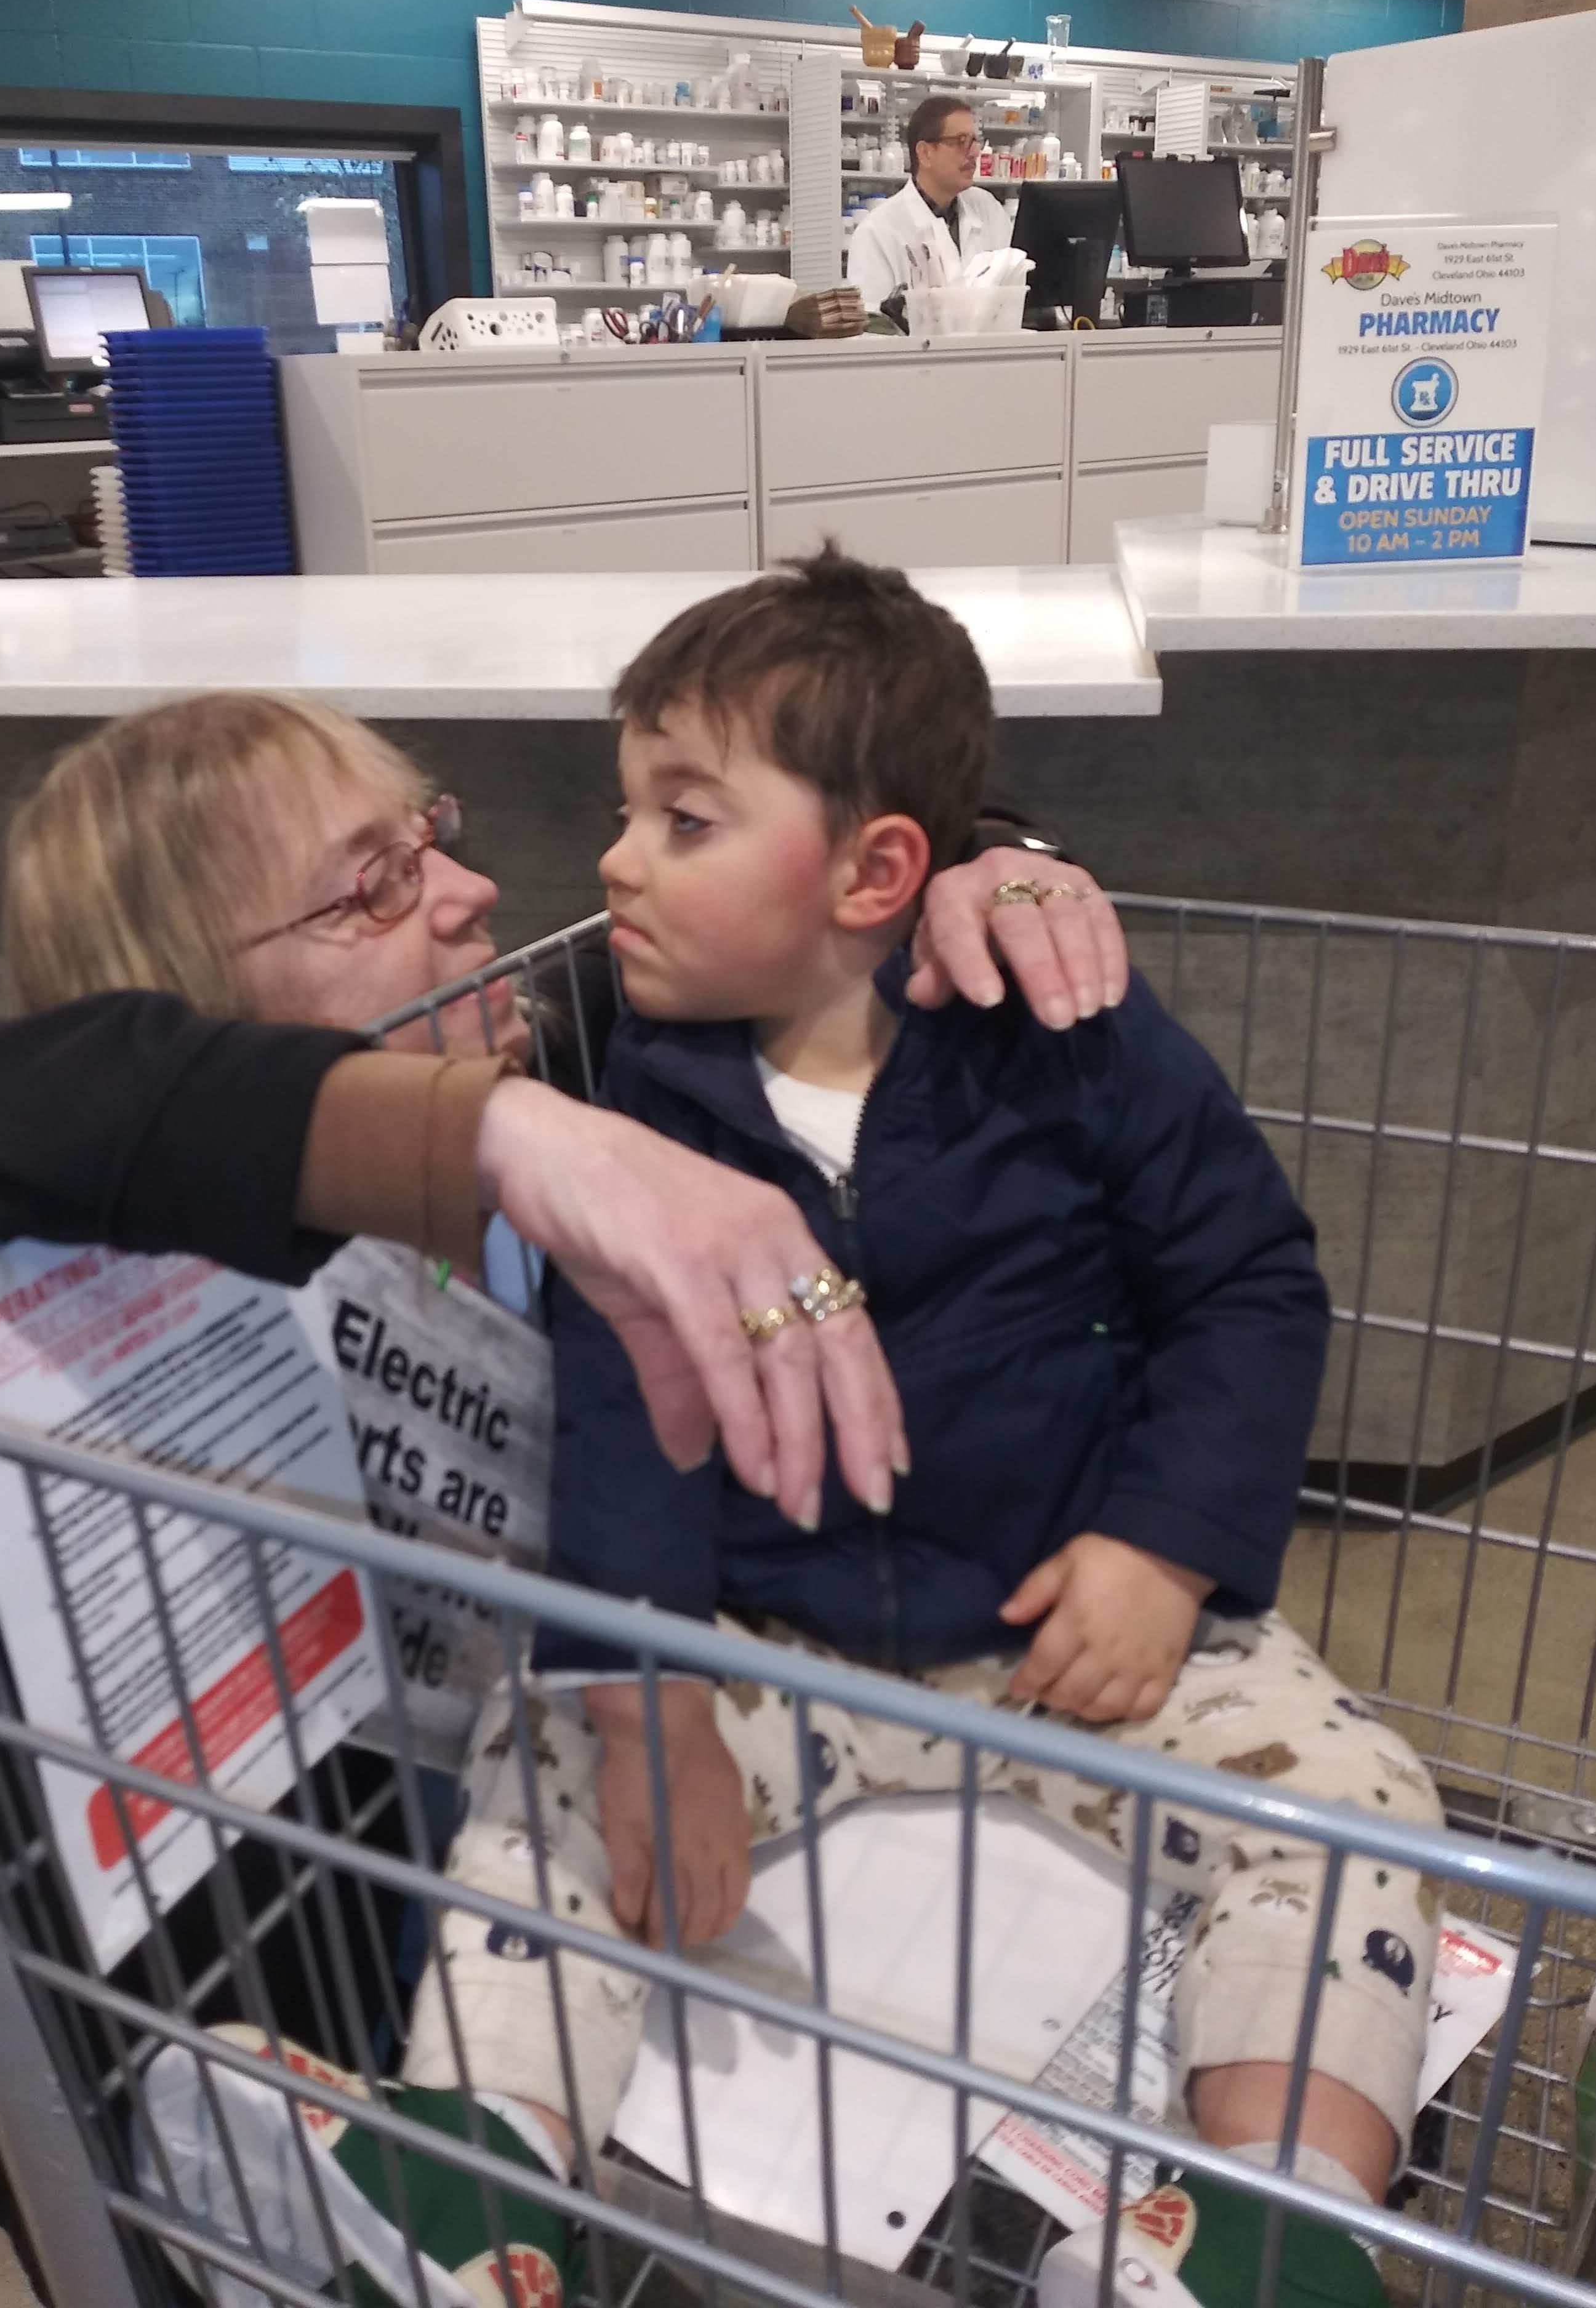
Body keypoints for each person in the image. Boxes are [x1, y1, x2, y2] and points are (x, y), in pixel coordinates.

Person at [0, 684, 1126, 2296]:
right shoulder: (90, 1256)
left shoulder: (551, 1051)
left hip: (456, 1891)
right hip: (142, 1986)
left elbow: (811, 850)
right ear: (195, 1013)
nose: (475, 892)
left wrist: (992, 861)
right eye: (375, 883)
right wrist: (483, 1142)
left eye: (436, 836)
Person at [405, 554, 1446, 2308]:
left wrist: (1166, 1548)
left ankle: (1265, 2235)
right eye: (626, 811)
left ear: (880, 870)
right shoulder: (635, 1116)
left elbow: (1251, 1286)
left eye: (683, 819)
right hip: (769, 1638)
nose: (614, 861)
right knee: (539, 1802)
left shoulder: (1074, 1044)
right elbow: (615, 1421)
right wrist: (652, 1706)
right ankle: (462, 2205)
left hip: (1073, 1634)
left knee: (1357, 1817)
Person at [846, 92, 1015, 313]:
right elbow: (874, 328)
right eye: (961, 142)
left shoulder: (987, 208)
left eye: (975, 142)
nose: (974, 153)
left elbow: (1014, 288)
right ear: (925, 153)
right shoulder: (876, 233)